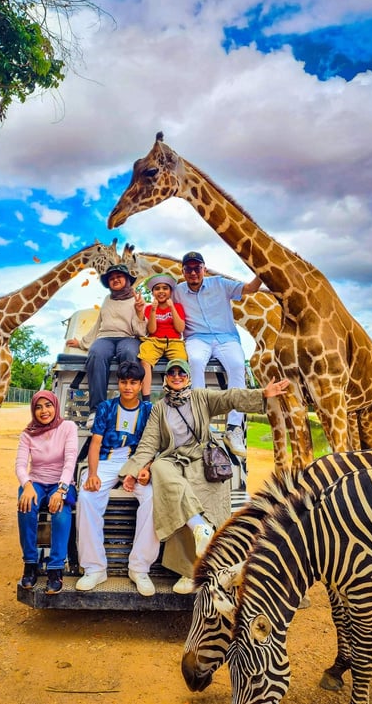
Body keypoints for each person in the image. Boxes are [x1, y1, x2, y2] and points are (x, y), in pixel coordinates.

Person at [120, 358, 289, 594]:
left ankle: (189, 572)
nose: (177, 376)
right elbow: (149, 443)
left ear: (188, 377)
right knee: (159, 469)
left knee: (189, 495)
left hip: (201, 459)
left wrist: (262, 393)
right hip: (173, 459)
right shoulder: (160, 408)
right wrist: (133, 471)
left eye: (181, 373)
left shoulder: (201, 397)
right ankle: (199, 528)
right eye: (172, 373)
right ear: (166, 379)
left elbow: (230, 397)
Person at [75, 361, 160, 596]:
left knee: (153, 497)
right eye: (124, 382)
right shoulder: (106, 408)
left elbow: (153, 445)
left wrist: (145, 469)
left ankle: (139, 568)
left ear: (141, 384)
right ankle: (95, 568)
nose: (128, 387)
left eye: (133, 382)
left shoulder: (148, 411)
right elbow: (96, 443)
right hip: (107, 462)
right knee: (87, 495)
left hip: (137, 462)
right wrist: (92, 474)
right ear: (118, 383)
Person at [173, 251, 262, 458]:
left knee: (238, 366)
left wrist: (262, 271)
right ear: (183, 271)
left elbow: (250, 288)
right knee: (194, 362)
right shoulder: (177, 291)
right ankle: (200, 422)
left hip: (226, 338)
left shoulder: (220, 284)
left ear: (204, 268)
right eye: (189, 269)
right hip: (197, 338)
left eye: (197, 268)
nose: (193, 272)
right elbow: (160, 300)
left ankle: (233, 428)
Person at [66, 263, 146, 428]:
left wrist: (139, 312)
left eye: (119, 277)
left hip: (128, 336)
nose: (115, 280)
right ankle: (97, 410)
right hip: (106, 337)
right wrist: (81, 342)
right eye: (112, 278)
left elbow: (141, 331)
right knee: (96, 354)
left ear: (127, 279)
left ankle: (128, 408)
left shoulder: (136, 299)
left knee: (129, 354)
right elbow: (98, 324)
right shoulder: (107, 300)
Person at [15, 390, 78, 594]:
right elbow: (20, 465)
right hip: (37, 482)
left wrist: (61, 490)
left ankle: (55, 568)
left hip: (61, 482)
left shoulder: (68, 427)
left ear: (55, 406)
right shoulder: (28, 433)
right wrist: (26, 485)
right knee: (25, 506)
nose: (44, 411)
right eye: (38, 407)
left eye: (48, 405)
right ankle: (30, 563)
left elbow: (70, 461)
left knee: (61, 514)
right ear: (33, 410)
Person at [138, 272, 187, 401]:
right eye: (157, 288)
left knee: (180, 362)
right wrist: (153, 311)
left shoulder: (177, 306)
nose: (161, 291)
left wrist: (172, 309)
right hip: (154, 340)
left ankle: (177, 395)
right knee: (145, 360)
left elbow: (180, 328)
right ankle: (146, 398)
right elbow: (151, 330)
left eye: (165, 288)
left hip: (174, 341)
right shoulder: (149, 308)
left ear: (170, 292)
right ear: (153, 292)